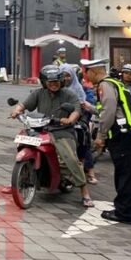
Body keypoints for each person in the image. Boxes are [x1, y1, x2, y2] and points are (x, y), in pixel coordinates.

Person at [10, 65, 94, 208]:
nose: (54, 85)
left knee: (70, 159)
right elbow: (24, 105)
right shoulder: (39, 93)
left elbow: (76, 110)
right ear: (44, 82)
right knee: (22, 141)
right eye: (50, 82)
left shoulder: (69, 94)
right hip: (41, 128)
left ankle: (84, 192)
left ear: (61, 81)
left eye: (56, 82)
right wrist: (17, 111)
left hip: (62, 131)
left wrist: (70, 119)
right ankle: (18, 179)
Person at [83, 58, 131, 224]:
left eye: (87, 72)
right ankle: (124, 209)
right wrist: (89, 107)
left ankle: (124, 213)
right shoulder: (115, 83)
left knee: (125, 175)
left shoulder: (105, 85)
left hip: (124, 135)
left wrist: (100, 136)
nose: (86, 76)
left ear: (94, 71)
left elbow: (109, 112)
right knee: (130, 174)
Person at [60, 64, 98, 185]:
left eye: (68, 76)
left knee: (82, 139)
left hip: (81, 116)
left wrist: (83, 106)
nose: (65, 78)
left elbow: (87, 105)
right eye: (63, 76)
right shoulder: (55, 87)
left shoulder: (82, 88)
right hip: (61, 117)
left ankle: (90, 172)